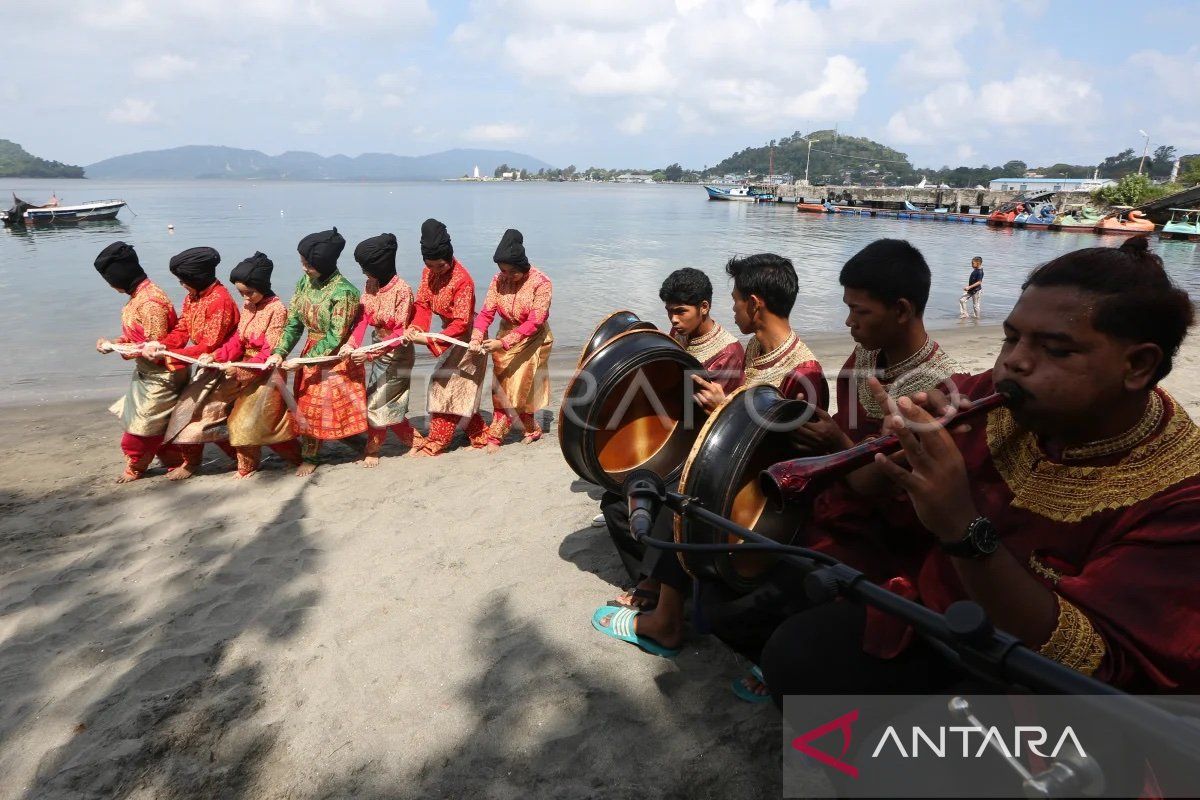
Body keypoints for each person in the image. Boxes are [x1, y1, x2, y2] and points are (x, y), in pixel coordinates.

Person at [762, 237, 1200, 708]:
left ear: (1138, 365)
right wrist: (901, 451)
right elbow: (883, 495)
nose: (1014, 362)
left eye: (1055, 350)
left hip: (1027, 684)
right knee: (790, 645)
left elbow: (1092, 663)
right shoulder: (993, 394)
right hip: (933, 610)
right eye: (1011, 338)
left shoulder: (1182, 500)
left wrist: (960, 526)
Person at [703, 239, 964, 701]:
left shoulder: (933, 391)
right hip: (835, 486)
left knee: (747, 588)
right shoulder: (870, 351)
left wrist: (837, 445)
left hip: (882, 529)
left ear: (902, 310)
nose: (848, 323)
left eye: (859, 312)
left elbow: (883, 490)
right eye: (847, 309)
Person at [592, 252, 828, 659]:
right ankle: (658, 590)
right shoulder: (756, 347)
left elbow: (789, 463)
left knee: (678, 505)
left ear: (755, 304)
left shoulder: (804, 373)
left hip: (759, 500)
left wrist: (723, 410)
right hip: (730, 478)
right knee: (632, 498)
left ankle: (664, 617)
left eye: (736, 299)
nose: (731, 307)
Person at [597, 267, 745, 592]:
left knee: (630, 502)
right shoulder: (679, 335)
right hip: (669, 437)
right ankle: (649, 578)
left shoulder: (728, 352)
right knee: (614, 495)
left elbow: (703, 415)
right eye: (669, 311)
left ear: (704, 307)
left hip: (696, 452)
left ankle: (653, 587)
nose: (674, 319)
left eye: (680, 311)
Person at [264, 228, 367, 476]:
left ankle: (355, 446)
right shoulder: (304, 283)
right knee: (308, 407)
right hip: (310, 352)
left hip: (333, 358)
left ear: (323, 262)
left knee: (327, 410)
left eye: (308, 264)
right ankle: (312, 454)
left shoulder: (345, 293)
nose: (303, 268)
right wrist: (281, 351)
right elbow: (294, 323)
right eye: (302, 263)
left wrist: (304, 361)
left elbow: (336, 336)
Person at [201, 252, 302, 478]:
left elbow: (269, 353)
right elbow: (238, 340)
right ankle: (247, 466)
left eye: (249, 293)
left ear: (262, 286)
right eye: (241, 294)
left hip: (266, 374)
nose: (245, 299)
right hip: (244, 368)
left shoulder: (277, 310)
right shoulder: (249, 307)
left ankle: (297, 458)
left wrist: (238, 369)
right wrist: (216, 356)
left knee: (257, 423)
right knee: (228, 414)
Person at [94, 242, 188, 482]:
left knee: (139, 431)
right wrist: (117, 342)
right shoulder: (137, 295)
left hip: (162, 375)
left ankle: (136, 466)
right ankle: (175, 460)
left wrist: (118, 348)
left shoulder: (149, 303)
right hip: (145, 374)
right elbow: (138, 337)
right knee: (157, 425)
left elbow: (153, 348)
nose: (110, 285)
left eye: (109, 280)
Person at [150, 247, 241, 480]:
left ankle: (196, 462)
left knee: (193, 412)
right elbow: (183, 328)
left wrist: (170, 356)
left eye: (183, 281)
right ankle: (236, 457)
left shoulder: (220, 300)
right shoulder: (192, 297)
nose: (181, 285)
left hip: (223, 364)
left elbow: (210, 344)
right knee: (199, 413)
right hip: (205, 364)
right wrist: (163, 344)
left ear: (196, 279)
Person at [404, 218, 488, 457]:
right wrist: (417, 328)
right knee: (459, 389)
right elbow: (422, 303)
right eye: (430, 266)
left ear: (449, 257)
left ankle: (438, 440)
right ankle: (479, 433)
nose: (435, 271)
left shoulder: (463, 280)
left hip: (468, 339)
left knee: (444, 386)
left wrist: (431, 339)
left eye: (440, 266)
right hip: (445, 333)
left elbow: (462, 322)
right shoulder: (427, 273)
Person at [470, 229, 555, 453]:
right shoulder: (498, 281)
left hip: (532, 339)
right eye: (502, 270)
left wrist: (504, 343)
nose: (506, 276)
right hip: (504, 336)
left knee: (518, 386)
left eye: (512, 272)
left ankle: (496, 435)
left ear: (523, 267)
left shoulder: (541, 283)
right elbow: (486, 313)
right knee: (502, 386)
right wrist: (477, 335)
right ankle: (531, 428)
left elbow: (535, 322)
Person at [347, 233, 418, 467]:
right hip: (378, 348)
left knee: (377, 402)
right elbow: (363, 318)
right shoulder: (371, 285)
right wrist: (352, 344)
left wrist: (368, 354)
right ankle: (416, 441)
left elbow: (399, 333)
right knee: (386, 402)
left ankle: (373, 449)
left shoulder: (402, 291)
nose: (364, 273)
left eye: (366, 267)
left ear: (380, 264)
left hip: (397, 354)